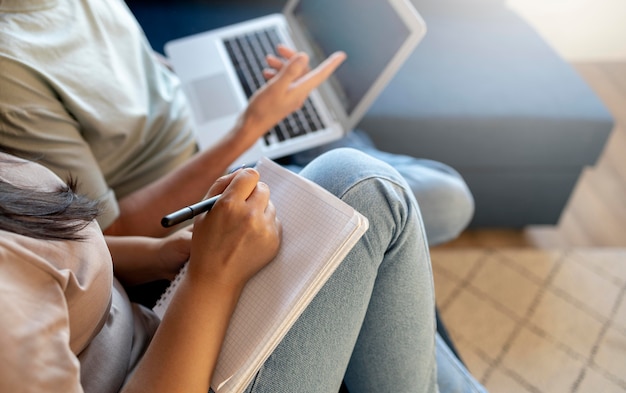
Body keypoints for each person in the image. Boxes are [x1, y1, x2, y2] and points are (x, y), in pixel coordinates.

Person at [0, 146, 486, 393]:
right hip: (171, 369)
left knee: (351, 210)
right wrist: (214, 278)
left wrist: (153, 254)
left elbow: (48, 254)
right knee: (364, 189)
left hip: (161, 332)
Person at [0, 0, 473, 247]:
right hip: (202, 200)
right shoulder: (10, 68)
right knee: (445, 199)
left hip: (217, 132)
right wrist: (248, 128)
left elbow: (131, 70)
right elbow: (110, 237)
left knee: (416, 194)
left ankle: (306, 133)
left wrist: (229, 78)